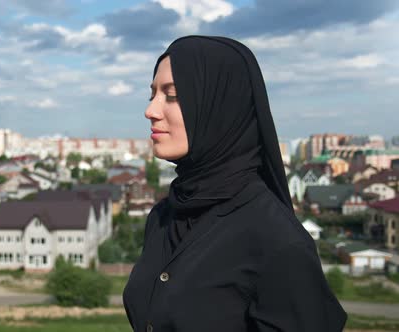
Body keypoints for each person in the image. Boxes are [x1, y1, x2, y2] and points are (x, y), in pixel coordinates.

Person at [122, 35, 347, 331]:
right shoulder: (164, 217)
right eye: (152, 94)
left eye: (172, 95)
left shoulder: (277, 242)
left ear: (220, 107)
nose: (150, 110)